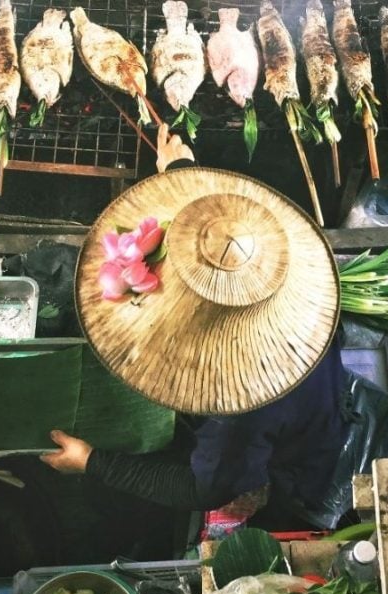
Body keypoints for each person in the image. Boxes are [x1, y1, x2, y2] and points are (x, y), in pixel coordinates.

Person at [41, 124, 352, 534]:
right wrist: (182, 171)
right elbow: (221, 246)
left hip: (303, 451)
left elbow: (200, 489)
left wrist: (92, 462)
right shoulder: (272, 254)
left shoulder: (236, 406)